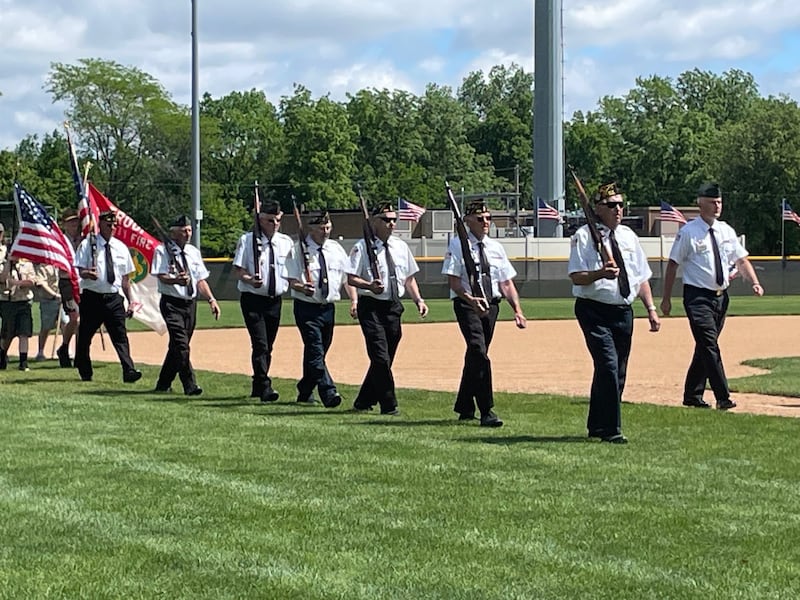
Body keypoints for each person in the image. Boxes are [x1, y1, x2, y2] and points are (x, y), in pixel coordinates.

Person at [568, 181, 660, 443]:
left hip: (623, 311)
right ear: (598, 208)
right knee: (607, 365)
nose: (618, 209)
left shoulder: (629, 236)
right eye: (611, 205)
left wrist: (650, 309)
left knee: (617, 371)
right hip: (593, 310)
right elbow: (576, 277)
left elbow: (641, 277)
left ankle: (597, 424)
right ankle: (611, 429)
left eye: (621, 204)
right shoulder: (584, 237)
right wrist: (600, 273)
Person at [660, 182, 764, 410]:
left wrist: (754, 282)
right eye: (712, 202)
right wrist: (666, 299)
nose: (717, 206)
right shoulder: (688, 232)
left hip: (721, 297)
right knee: (709, 344)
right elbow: (672, 265)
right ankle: (722, 396)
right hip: (697, 297)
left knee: (705, 346)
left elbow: (741, 259)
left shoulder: (726, 230)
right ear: (700, 203)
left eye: (719, 202)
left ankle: (692, 395)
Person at [441, 200, 527, 427]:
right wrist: (471, 300)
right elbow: (453, 281)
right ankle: (487, 410)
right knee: (479, 351)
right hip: (467, 304)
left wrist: (517, 310)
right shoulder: (458, 245)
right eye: (480, 219)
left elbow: (506, 282)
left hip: (492, 306)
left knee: (475, 355)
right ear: (468, 221)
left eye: (488, 218)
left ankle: (464, 405)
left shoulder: (496, 247)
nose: (486, 222)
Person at [345, 202, 428, 415]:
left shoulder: (400, 246)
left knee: (386, 357)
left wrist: (418, 300)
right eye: (386, 219)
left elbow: (408, 278)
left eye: (393, 219)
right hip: (371, 306)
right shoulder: (362, 247)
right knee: (380, 356)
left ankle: (364, 400)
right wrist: (369, 286)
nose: (391, 223)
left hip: (393, 307)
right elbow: (351, 278)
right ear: (374, 221)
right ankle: (389, 404)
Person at [286, 211, 357, 407]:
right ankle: (329, 392)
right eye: (321, 228)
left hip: (328, 308)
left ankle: (305, 389)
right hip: (306, 308)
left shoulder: (336, 249)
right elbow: (291, 280)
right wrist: (302, 287)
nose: (325, 231)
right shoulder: (298, 250)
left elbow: (346, 279)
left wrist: (354, 300)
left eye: (328, 227)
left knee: (318, 352)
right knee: (315, 349)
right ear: (311, 228)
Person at [151, 214, 221, 396]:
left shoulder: (193, 252)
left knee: (177, 346)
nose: (188, 234)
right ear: (173, 233)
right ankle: (189, 384)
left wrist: (211, 300)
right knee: (182, 345)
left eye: (189, 230)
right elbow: (160, 276)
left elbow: (200, 280)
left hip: (190, 304)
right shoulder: (162, 251)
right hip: (171, 304)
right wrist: (176, 280)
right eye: (184, 231)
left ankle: (163, 383)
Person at [233, 201, 294, 403]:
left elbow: (292, 271)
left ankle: (257, 385)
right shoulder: (247, 240)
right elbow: (239, 270)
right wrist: (250, 279)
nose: (275, 224)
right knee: (260, 344)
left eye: (278, 220)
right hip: (253, 300)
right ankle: (265, 386)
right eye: (270, 220)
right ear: (260, 219)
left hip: (275, 301)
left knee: (268, 345)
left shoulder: (285, 242)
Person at [73, 209, 142, 383]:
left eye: (114, 225)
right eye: (108, 224)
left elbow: (125, 279)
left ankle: (129, 370)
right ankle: (85, 371)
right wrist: (88, 273)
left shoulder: (120, 247)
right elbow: (80, 270)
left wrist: (131, 300)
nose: (112, 228)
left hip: (113, 298)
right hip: (92, 297)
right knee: (85, 336)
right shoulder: (89, 244)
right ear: (100, 224)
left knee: (120, 337)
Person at [0, 257, 37, 371]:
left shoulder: (26, 263)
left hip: (23, 301)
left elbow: (32, 281)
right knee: (7, 333)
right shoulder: (2, 263)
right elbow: (2, 279)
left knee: (24, 333)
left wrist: (18, 283)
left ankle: (23, 362)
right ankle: (2, 355)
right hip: (7, 302)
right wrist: (8, 264)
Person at [56, 208, 82, 368]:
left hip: (83, 282)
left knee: (84, 320)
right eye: (70, 222)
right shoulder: (60, 241)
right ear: (64, 224)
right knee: (75, 318)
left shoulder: (83, 240)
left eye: (75, 221)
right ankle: (64, 347)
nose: (73, 224)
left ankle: (80, 354)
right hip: (67, 283)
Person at [33, 262, 61, 361]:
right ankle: (40, 351)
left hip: (62, 299)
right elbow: (42, 283)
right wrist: (54, 295)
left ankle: (65, 349)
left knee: (66, 323)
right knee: (46, 326)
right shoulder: (42, 267)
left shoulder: (60, 263)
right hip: (48, 300)